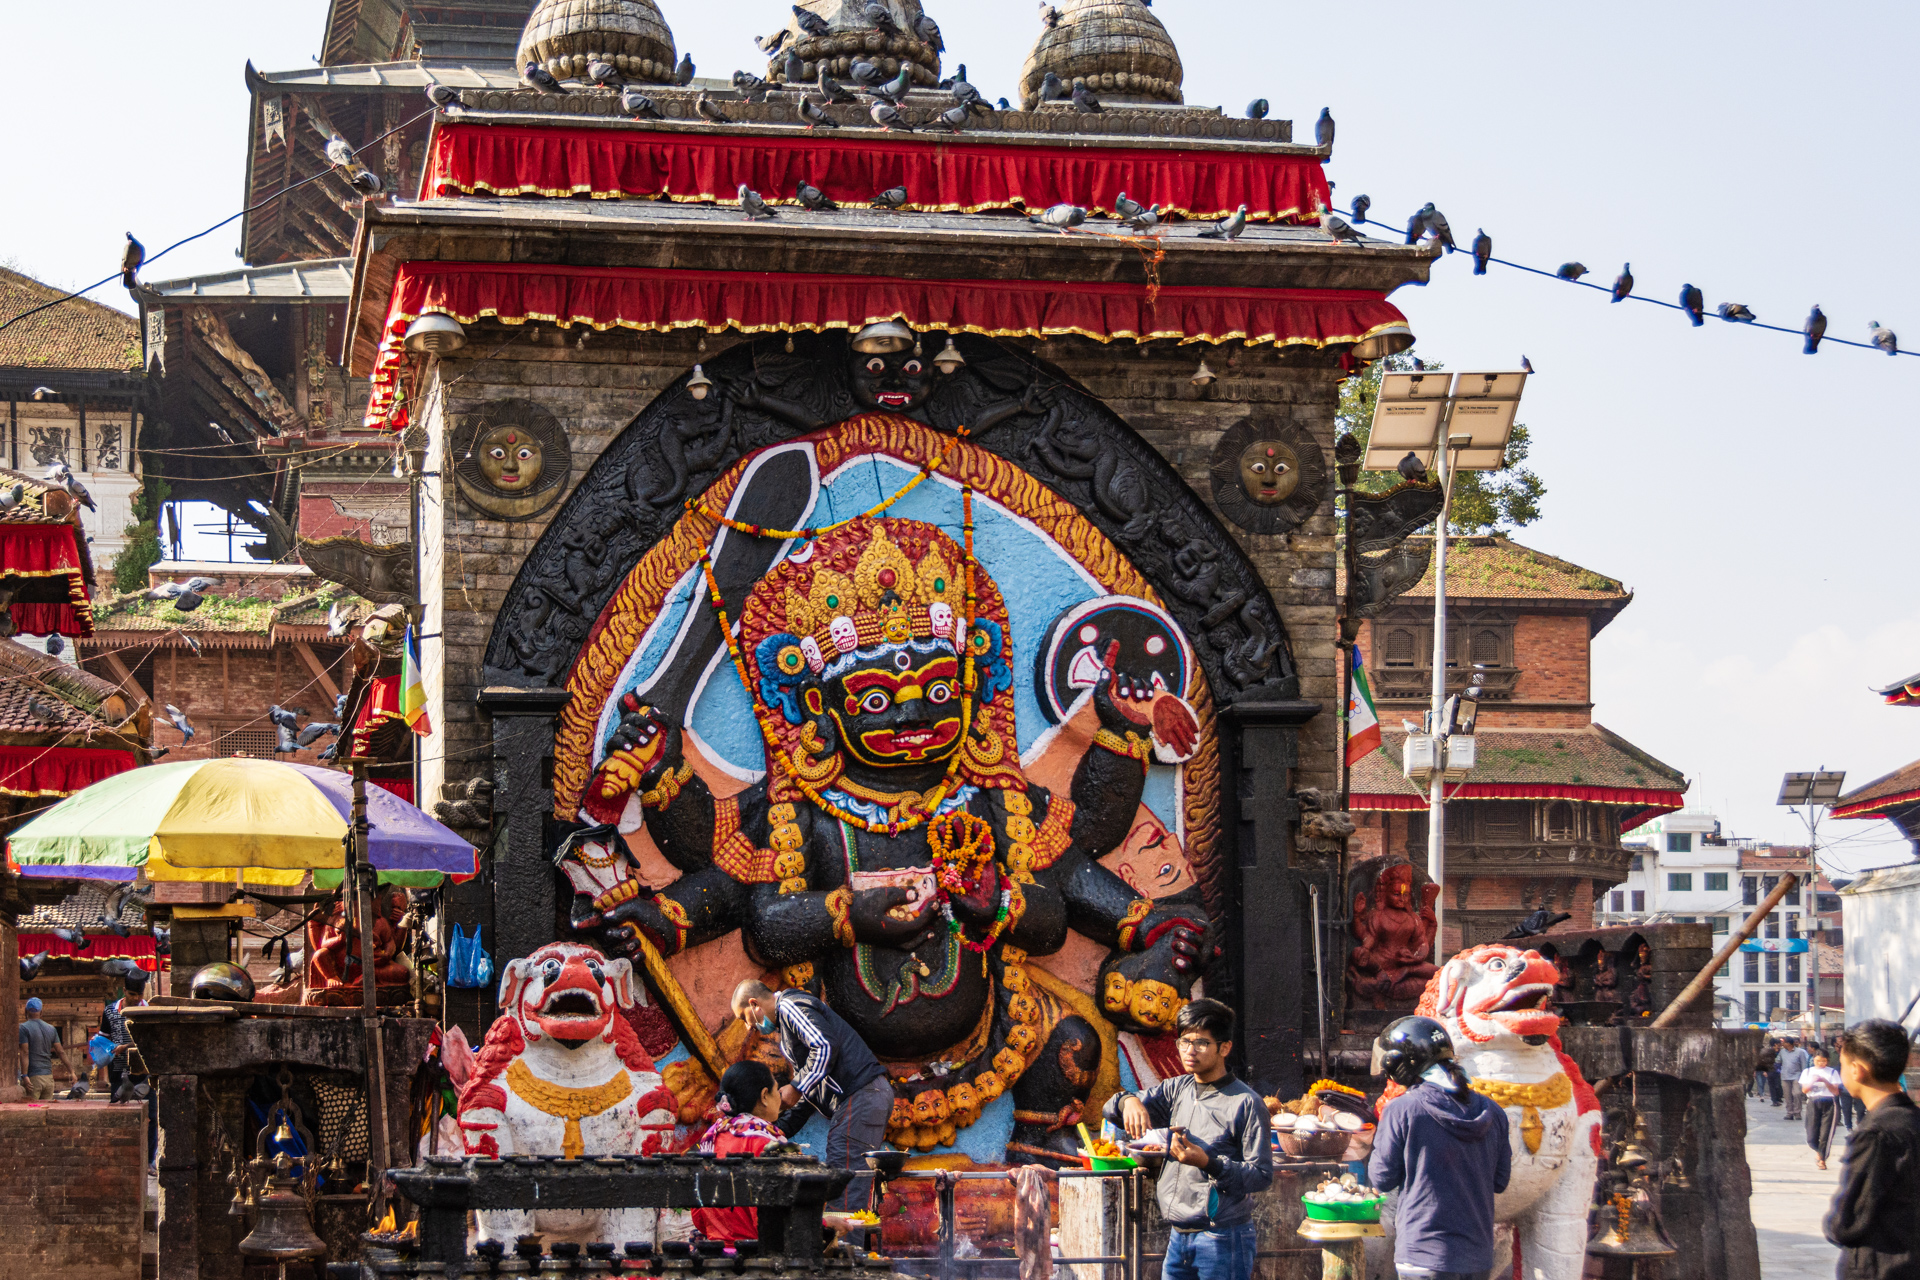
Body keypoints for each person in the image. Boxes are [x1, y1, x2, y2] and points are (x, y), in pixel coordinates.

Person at [1104, 998, 1272, 1280]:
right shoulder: (1177, 1089)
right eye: (1184, 1041)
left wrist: (1209, 1163)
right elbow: (1111, 1108)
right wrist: (1129, 1100)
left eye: (1202, 1043)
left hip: (1223, 1238)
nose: (1190, 1051)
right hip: (1178, 1237)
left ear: (1225, 1048)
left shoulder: (1246, 1103)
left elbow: (1262, 1175)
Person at [1368, 1015, 1512, 1280]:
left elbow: (1382, 1178)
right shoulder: (1495, 1112)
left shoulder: (1402, 1110)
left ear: (1398, 1064)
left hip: (1423, 1256)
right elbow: (1500, 1182)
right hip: (1477, 1258)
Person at [731, 980, 891, 1211]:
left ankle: (845, 1245)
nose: (748, 1027)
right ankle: (849, 1243)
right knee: (846, 1181)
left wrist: (796, 1086)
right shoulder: (786, 1027)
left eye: (743, 1018)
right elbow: (810, 1091)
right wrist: (776, 1131)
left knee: (843, 1183)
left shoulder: (788, 1005)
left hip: (862, 1094)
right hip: (864, 1096)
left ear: (754, 1004)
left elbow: (824, 1046)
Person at [1823, 1019, 1920, 1280]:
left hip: (1883, 1267)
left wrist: (1833, 1225)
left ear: (1857, 1069)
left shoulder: (1876, 1133)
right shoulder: (1913, 1119)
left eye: (1842, 1065)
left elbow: (1850, 1221)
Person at [691, 1061, 788, 1244]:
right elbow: (772, 1221)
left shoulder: (711, 1138)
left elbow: (699, 1216)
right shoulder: (766, 1145)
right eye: (777, 1089)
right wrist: (823, 1223)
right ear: (764, 1096)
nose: (780, 1097)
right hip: (755, 1259)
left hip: (715, 1255)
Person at [16, 998, 74, 1101]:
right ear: (41, 1012)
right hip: (48, 1078)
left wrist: (24, 1075)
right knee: (46, 1108)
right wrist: (72, 1072)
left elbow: (25, 1052)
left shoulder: (23, 1028)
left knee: (31, 1112)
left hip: (33, 1078)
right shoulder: (51, 1029)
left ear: (25, 1011)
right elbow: (61, 1052)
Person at [1800, 1049, 1844, 1169]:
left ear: (1827, 1061)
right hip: (1813, 1102)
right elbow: (1804, 1090)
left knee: (1826, 1134)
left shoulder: (1832, 1072)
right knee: (1811, 1136)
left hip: (1829, 1103)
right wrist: (1813, 1081)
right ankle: (1819, 1152)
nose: (1821, 1063)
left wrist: (1825, 1081)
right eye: (1818, 1061)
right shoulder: (1807, 1072)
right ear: (1813, 1059)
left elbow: (1835, 1091)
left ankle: (1822, 1160)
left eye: (1823, 1061)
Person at [1781, 1038, 1812, 1120]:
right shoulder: (1782, 1052)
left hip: (1797, 1076)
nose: (1782, 1044)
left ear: (1789, 1043)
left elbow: (1804, 1065)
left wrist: (1804, 1076)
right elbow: (1778, 1061)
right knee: (1787, 1095)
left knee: (1797, 1094)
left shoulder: (1800, 1052)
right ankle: (1789, 1113)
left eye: (1784, 1043)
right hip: (1785, 1076)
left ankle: (1797, 1112)